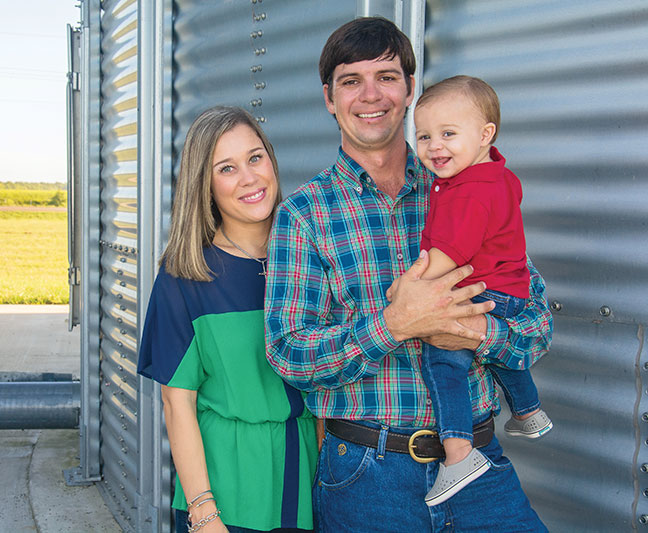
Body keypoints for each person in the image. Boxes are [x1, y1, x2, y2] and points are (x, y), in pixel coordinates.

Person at [263, 17, 553, 531]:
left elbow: (535, 327)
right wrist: (396, 324)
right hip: (366, 476)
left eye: (388, 77)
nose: (370, 95)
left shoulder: (473, 187)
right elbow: (289, 353)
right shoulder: (305, 215)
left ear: (410, 89)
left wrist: (473, 330)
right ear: (330, 98)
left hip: (480, 467)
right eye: (351, 81)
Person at [137, 106, 317, 533]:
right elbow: (176, 403)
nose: (250, 178)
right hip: (227, 493)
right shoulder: (185, 276)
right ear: (206, 184)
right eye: (227, 168)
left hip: (310, 475)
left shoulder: (308, 257)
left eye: (255, 158)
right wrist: (204, 513)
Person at [409, 75, 553, 506]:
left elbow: (451, 251)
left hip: (483, 289)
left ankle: (458, 453)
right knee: (497, 350)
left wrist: (411, 285)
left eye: (448, 134)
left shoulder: (469, 191)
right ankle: (528, 411)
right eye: (424, 136)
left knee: (443, 362)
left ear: (485, 134)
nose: (434, 146)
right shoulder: (494, 176)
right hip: (509, 289)